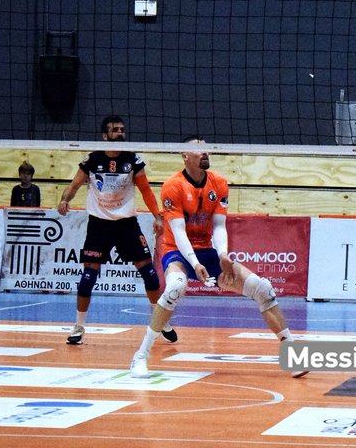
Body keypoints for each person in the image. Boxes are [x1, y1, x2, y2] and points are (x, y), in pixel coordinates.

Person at [129, 137, 304, 377]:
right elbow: (178, 232)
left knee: (262, 288)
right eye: (198, 149)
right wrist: (195, 264)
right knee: (175, 287)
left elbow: (219, 226)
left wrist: (222, 255)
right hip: (177, 250)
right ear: (185, 156)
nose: (205, 152)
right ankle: (140, 356)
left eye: (206, 148)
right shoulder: (173, 185)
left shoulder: (219, 183)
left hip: (206, 250)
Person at [56, 114, 173, 346]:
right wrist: (64, 199)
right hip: (99, 225)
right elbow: (74, 185)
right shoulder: (92, 160)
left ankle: (160, 322)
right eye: (115, 130)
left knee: (149, 273)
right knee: (88, 277)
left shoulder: (132, 159)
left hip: (126, 224)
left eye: (121, 129)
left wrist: (157, 216)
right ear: (104, 135)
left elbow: (146, 190)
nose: (120, 133)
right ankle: (78, 327)